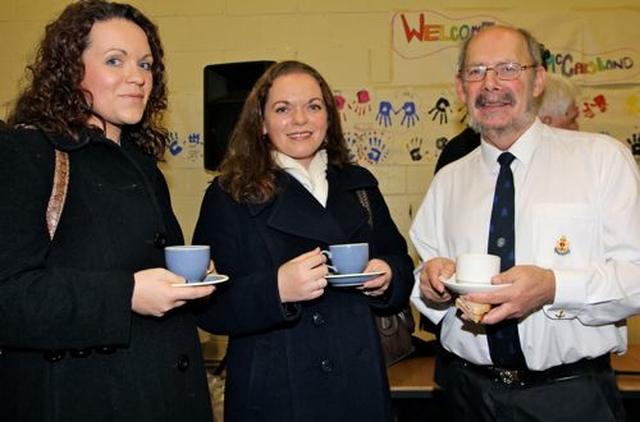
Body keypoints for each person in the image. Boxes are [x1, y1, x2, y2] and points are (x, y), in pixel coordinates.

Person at [410, 25, 640, 421]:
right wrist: (432, 284)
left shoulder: (602, 160)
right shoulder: (449, 181)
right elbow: (426, 281)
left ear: (538, 81)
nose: (491, 84)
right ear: (461, 88)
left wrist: (553, 287)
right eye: (477, 71)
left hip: (570, 399)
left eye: (508, 68)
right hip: (466, 396)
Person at [0, 1, 215, 421]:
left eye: (146, 64)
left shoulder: (143, 165)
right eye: (115, 60)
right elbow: (8, 296)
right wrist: (126, 295)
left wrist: (186, 282)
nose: (137, 77)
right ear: (69, 69)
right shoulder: (25, 152)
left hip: (160, 394)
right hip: (80, 399)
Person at [192, 60, 415, 422]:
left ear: (328, 118)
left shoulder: (359, 185)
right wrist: (275, 289)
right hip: (276, 393)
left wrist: (388, 275)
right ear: (261, 123)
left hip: (358, 386)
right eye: (283, 108)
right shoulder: (229, 193)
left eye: (313, 106)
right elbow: (208, 307)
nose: (300, 119)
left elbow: (402, 264)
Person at [434, 59, 579, 174]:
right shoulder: (458, 160)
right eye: (572, 120)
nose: (577, 127)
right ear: (545, 120)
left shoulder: (590, 157)